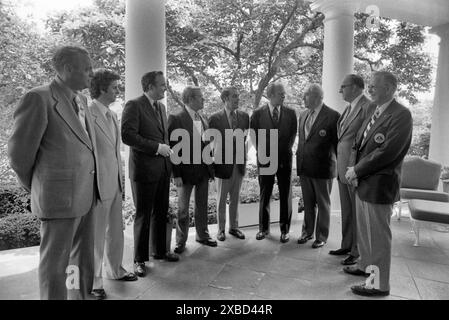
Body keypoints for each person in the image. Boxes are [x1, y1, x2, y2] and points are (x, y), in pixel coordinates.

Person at [8, 46, 100, 300]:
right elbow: (19, 157)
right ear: (68, 68)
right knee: (55, 266)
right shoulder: (38, 98)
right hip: (58, 199)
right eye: (87, 68)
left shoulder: (81, 100)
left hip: (85, 195)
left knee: (79, 262)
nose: (92, 74)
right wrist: (41, 187)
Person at [344, 71, 412, 297]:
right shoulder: (374, 110)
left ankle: (378, 285)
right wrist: (354, 171)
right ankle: (364, 266)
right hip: (363, 183)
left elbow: (387, 152)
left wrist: (357, 169)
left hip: (379, 186)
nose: (369, 89)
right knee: (365, 234)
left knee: (378, 238)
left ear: (390, 89)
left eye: (374, 86)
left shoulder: (401, 115)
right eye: (369, 85)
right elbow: (359, 143)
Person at [121, 71, 179, 279]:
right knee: (143, 216)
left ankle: (160, 251)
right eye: (162, 85)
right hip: (144, 171)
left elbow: (164, 137)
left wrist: (166, 156)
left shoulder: (162, 107)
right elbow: (128, 136)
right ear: (150, 86)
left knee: (161, 212)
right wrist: (157, 148)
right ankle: (139, 260)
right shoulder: (134, 105)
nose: (165, 88)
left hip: (163, 169)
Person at [88, 69, 137, 300]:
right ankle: (94, 282)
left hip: (115, 182)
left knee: (116, 231)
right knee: (96, 235)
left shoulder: (112, 115)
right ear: (102, 88)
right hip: (97, 184)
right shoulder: (88, 114)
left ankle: (115, 270)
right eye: (115, 87)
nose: (118, 90)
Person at [328, 75, 373, 266]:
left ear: (355, 87)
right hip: (342, 167)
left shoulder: (368, 107)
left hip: (354, 169)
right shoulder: (348, 108)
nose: (340, 91)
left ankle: (357, 251)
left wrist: (356, 168)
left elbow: (368, 141)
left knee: (356, 213)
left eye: (343, 87)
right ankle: (346, 245)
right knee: (347, 210)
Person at [168, 86, 217, 253]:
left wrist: (210, 170)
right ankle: (180, 241)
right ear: (190, 99)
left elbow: (206, 147)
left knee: (202, 205)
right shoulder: (175, 118)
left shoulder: (203, 119)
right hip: (185, 173)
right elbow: (172, 148)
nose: (204, 100)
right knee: (182, 209)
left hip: (203, 171)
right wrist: (176, 174)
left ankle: (203, 235)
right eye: (200, 97)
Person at [250, 82, 297, 243]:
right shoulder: (257, 114)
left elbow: (292, 136)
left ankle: (285, 230)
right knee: (265, 193)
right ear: (270, 95)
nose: (283, 96)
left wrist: (283, 153)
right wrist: (262, 154)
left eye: (284, 93)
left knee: (285, 194)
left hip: (284, 160)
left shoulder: (291, 113)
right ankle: (263, 229)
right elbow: (254, 136)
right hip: (265, 160)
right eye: (280, 94)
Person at [296, 84, 340, 249]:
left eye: (305, 96)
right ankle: (307, 232)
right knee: (308, 203)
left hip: (323, 169)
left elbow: (337, 145)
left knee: (323, 204)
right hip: (304, 167)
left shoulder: (333, 116)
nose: (303, 99)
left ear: (315, 97)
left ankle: (321, 236)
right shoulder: (303, 115)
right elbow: (302, 141)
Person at [208, 87, 250, 241]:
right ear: (225, 99)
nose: (238, 99)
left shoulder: (245, 117)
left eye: (238, 96)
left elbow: (244, 139)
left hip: (238, 164)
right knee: (221, 199)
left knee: (235, 198)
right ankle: (220, 230)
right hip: (222, 165)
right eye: (234, 96)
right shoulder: (214, 118)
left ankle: (234, 227)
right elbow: (208, 143)